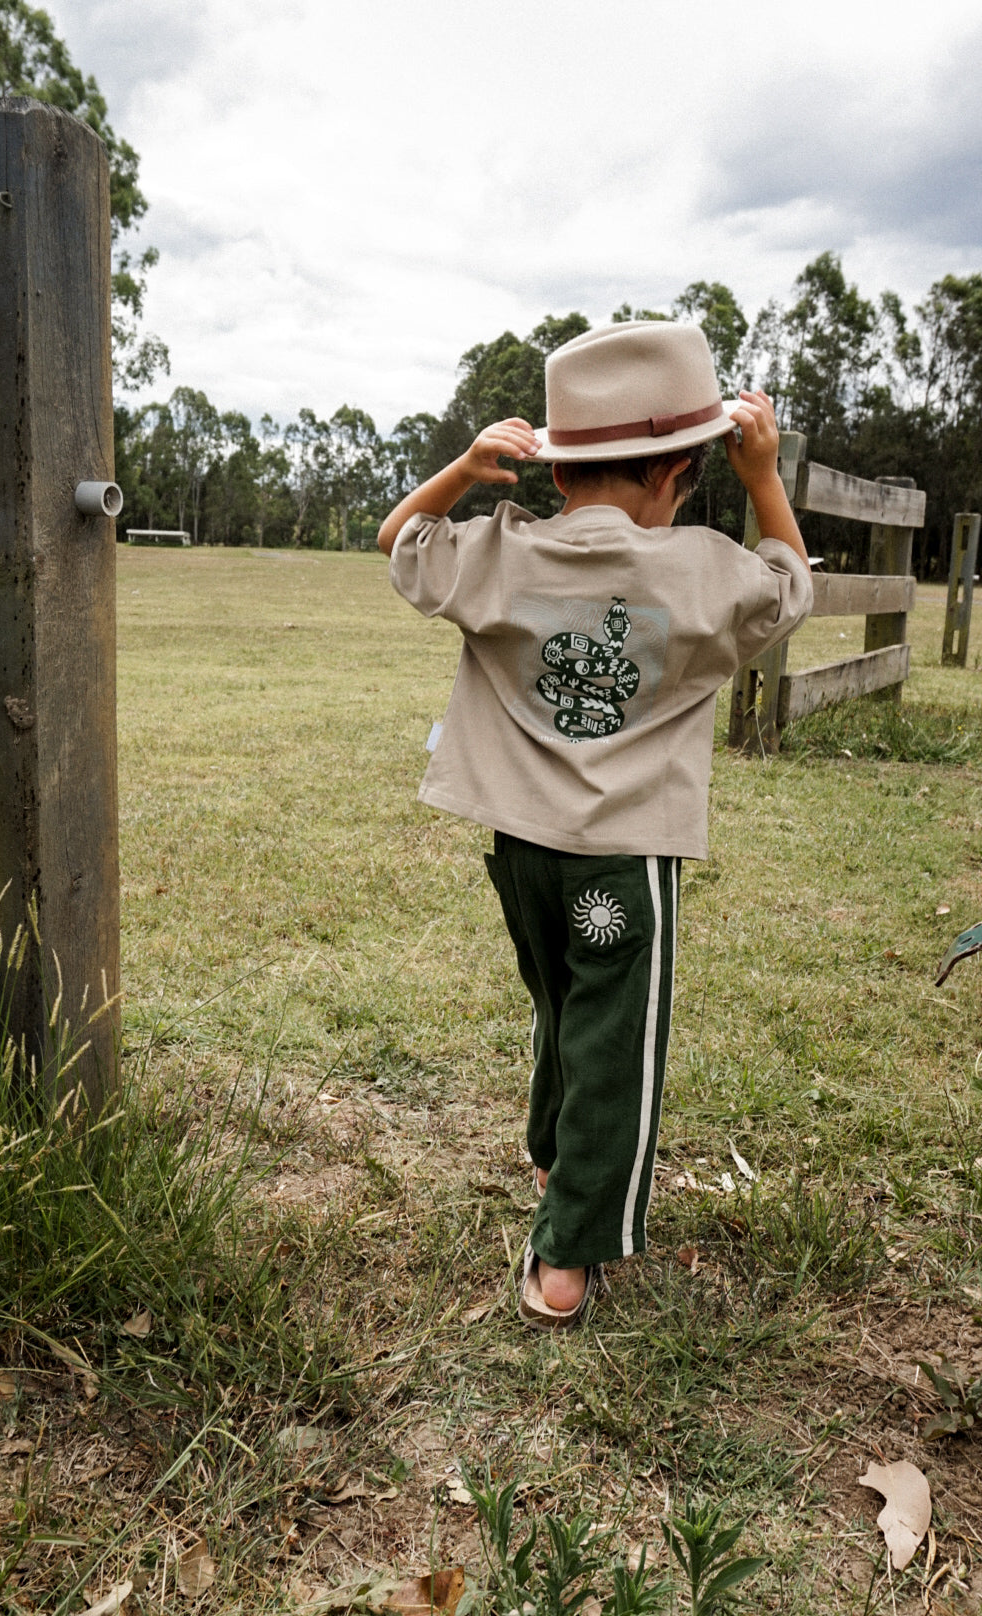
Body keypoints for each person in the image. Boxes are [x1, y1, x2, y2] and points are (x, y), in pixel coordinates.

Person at [378, 321, 812, 1330]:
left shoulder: (502, 550)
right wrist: (763, 478)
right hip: (626, 861)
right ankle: (569, 1253)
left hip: (521, 853)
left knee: (559, 1004)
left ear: (559, 467)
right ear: (674, 472)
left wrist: (463, 470)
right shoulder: (703, 571)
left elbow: (400, 542)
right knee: (615, 1042)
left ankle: (551, 1157)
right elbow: (791, 584)